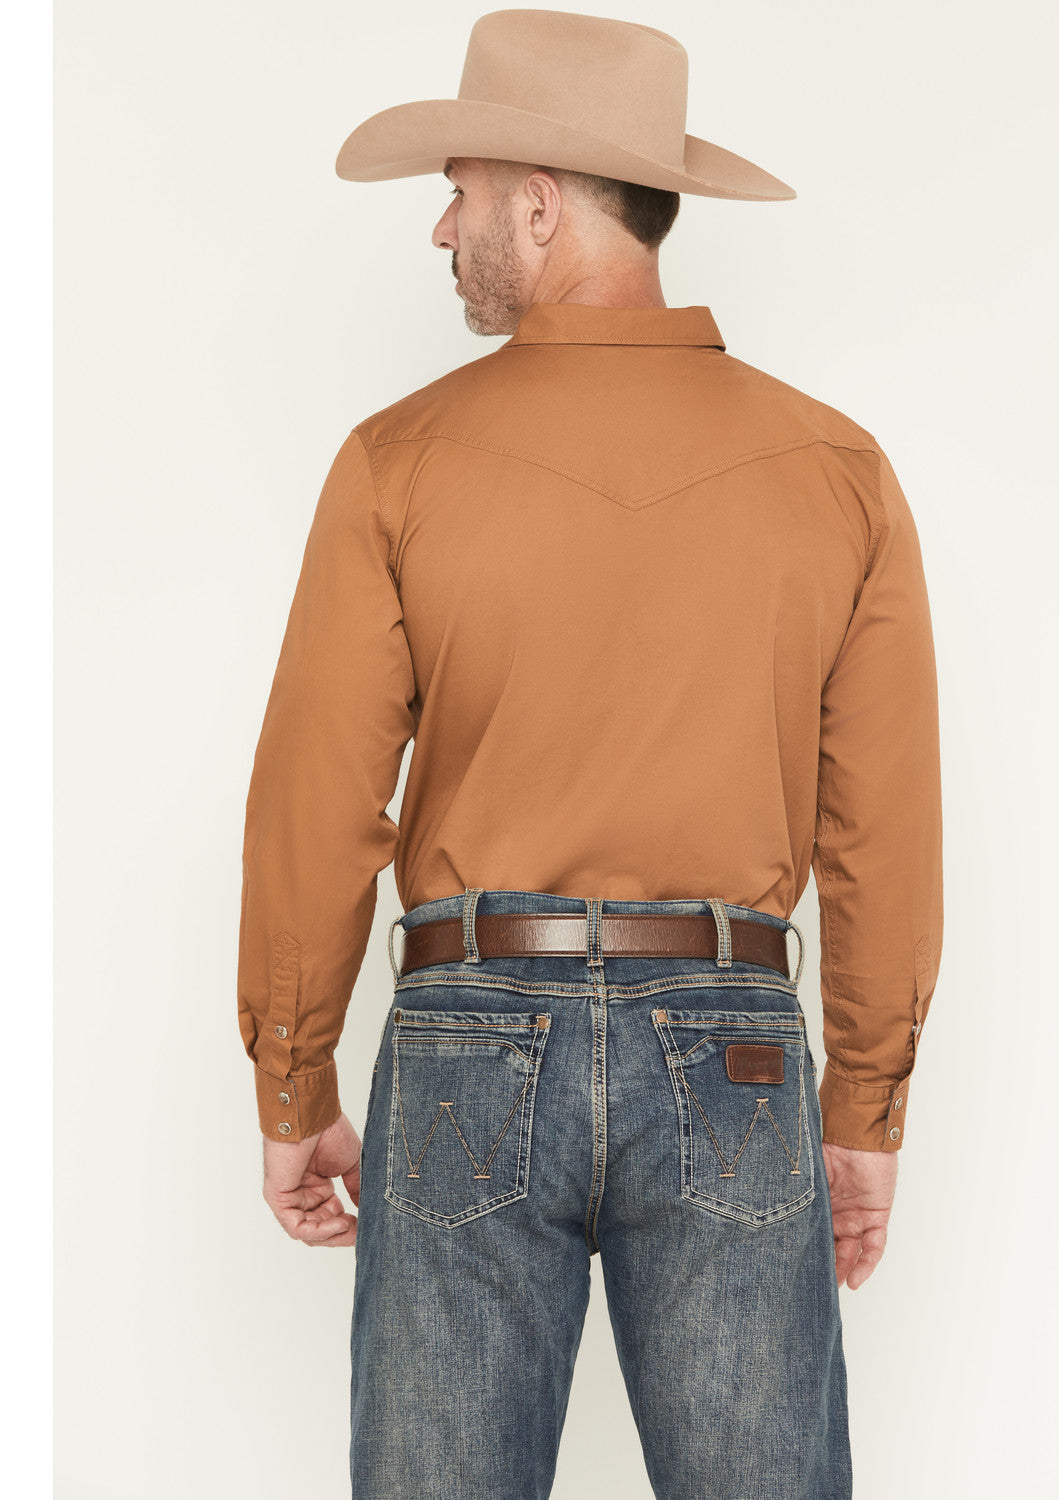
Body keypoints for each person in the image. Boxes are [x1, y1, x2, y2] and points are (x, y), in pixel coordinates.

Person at [236, 11, 943, 1498]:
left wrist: (294, 1085)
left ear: (542, 204)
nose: (442, 228)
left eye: (460, 191)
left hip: (469, 1033)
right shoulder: (838, 472)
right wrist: (863, 1109)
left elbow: (317, 802)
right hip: (736, 1041)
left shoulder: (397, 461)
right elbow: (881, 825)